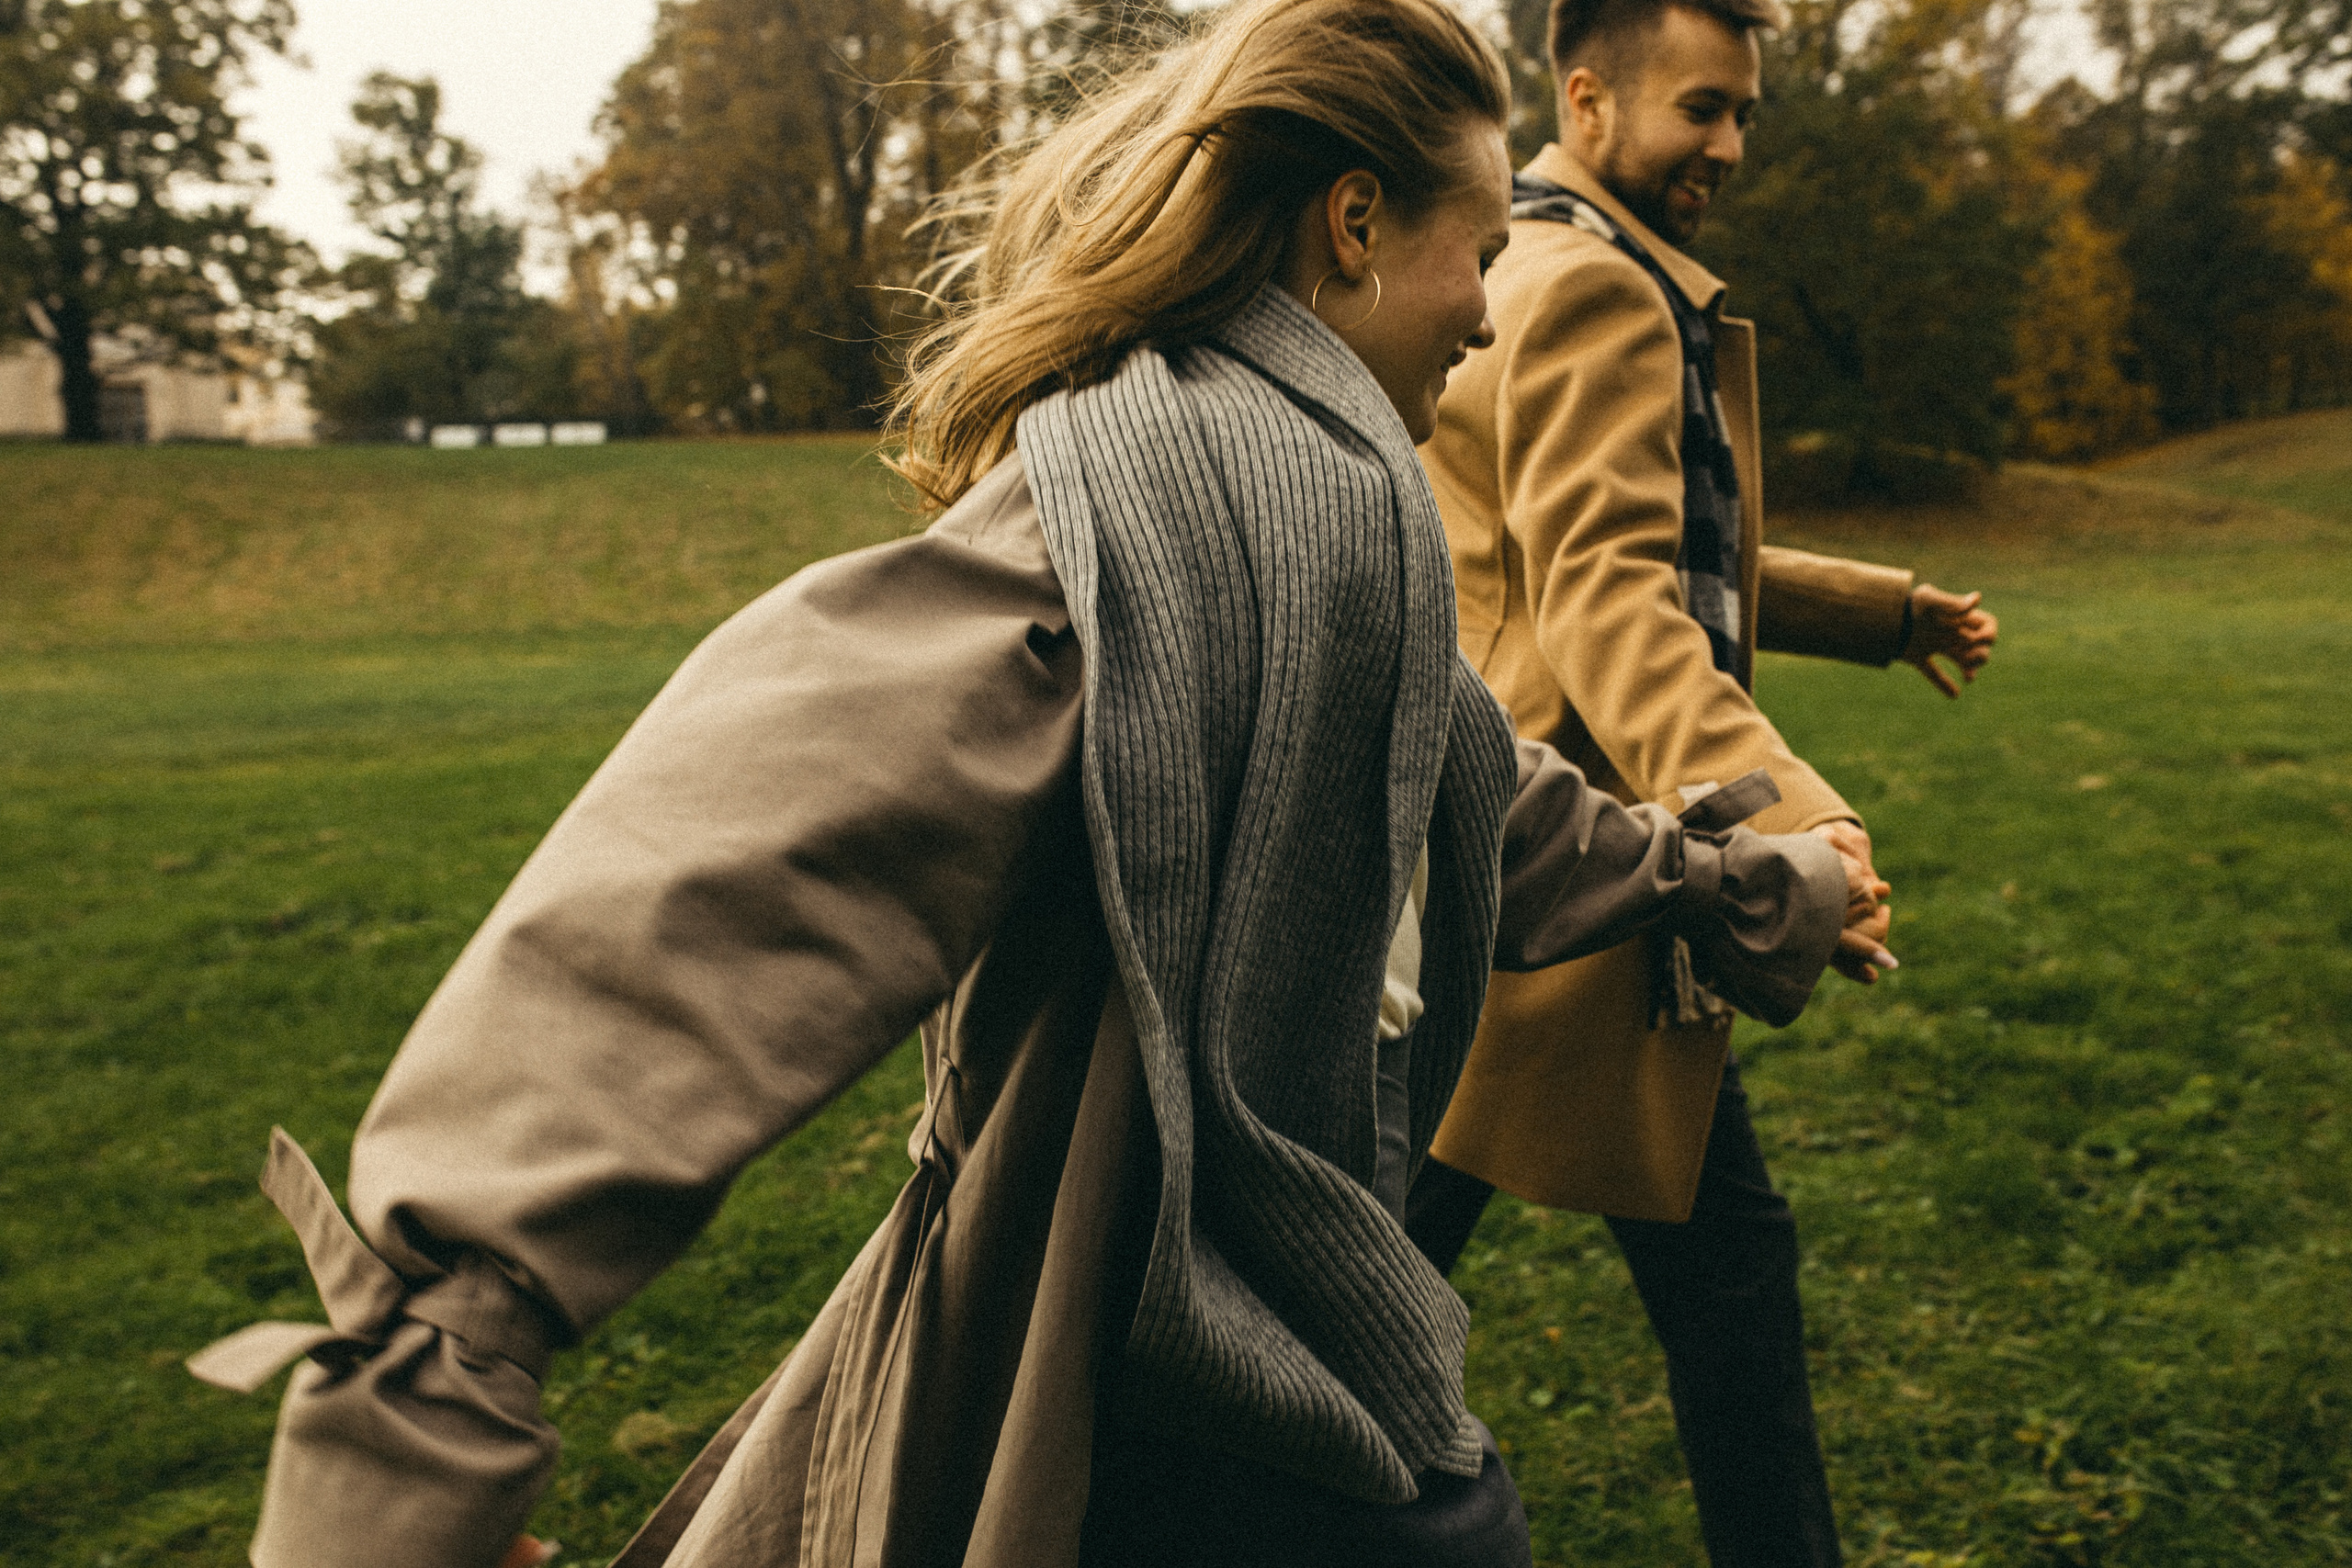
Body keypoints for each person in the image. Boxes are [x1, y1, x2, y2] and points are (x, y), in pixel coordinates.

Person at [186, 3, 1869, 1565]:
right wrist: (427, 1400)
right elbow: (709, 894)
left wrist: (1741, 885)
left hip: (1308, 1354)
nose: (1491, 311)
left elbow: (1479, 795)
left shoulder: (1339, 511)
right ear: (1354, 224)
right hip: (1154, 1371)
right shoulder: (1117, 526)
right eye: (1477, 252)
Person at [1406, 2, 2000, 1565]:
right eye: (1702, 110)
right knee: (1706, 1277)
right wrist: (1793, 818)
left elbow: (1604, 544)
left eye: (1746, 114)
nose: (1730, 148)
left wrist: (1872, 614)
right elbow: (1615, 602)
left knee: (1409, 1259)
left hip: (1485, 845)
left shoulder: (1507, 260)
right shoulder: (1603, 291)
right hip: (1600, 874)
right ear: (1588, 96)